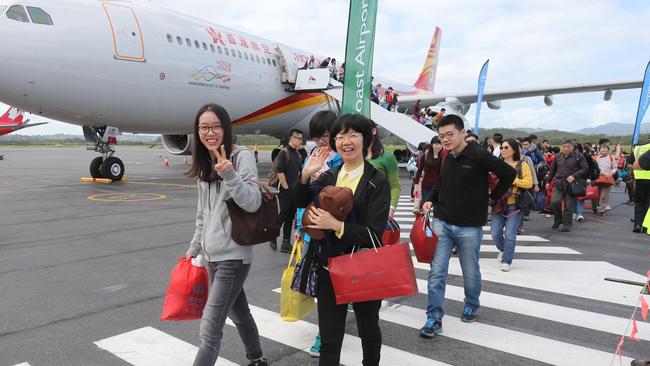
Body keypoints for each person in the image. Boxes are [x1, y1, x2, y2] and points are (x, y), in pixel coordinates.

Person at [292, 114, 390, 366]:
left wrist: (336, 225)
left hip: (364, 269)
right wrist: (304, 177)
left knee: (368, 331)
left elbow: (373, 235)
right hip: (329, 269)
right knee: (329, 338)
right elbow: (298, 203)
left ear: (365, 139)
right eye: (340, 136)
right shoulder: (329, 176)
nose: (346, 141)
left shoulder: (376, 181)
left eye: (353, 135)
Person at [184, 103, 268, 366]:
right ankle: (257, 358)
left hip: (234, 256)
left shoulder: (240, 156)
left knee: (210, 327)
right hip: (210, 257)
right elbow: (203, 215)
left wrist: (229, 173)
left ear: (226, 128)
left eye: (216, 126)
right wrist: (194, 248)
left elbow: (253, 202)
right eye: (204, 127)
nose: (210, 132)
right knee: (239, 312)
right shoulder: (206, 161)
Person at [421, 115, 516, 337]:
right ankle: (433, 319)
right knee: (436, 273)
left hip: (469, 226)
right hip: (442, 222)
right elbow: (441, 181)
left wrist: (492, 198)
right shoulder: (446, 154)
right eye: (442, 136)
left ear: (463, 132)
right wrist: (431, 199)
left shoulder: (478, 155)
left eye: (450, 135)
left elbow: (509, 173)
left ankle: (471, 304)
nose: (445, 139)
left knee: (470, 271)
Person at [490, 139, 533, 272]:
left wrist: (512, 179)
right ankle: (504, 250)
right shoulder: (497, 165)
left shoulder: (522, 165)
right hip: (499, 204)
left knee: (510, 235)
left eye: (506, 147)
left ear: (514, 149)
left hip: (515, 204)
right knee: (495, 233)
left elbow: (528, 183)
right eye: (501, 147)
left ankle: (507, 260)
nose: (503, 150)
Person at [272, 129, 304, 252]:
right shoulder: (284, 153)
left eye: (301, 139)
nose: (300, 141)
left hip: (294, 191)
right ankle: (272, 236)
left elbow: (298, 172)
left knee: (290, 216)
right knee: (283, 214)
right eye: (298, 138)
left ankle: (286, 242)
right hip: (285, 191)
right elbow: (279, 171)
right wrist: (286, 187)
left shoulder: (298, 154)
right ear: (291, 138)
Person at [546, 140, 588, 232]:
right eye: (564, 146)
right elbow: (552, 170)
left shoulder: (578, 156)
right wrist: (548, 181)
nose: (565, 148)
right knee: (554, 202)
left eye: (568, 146)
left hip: (571, 185)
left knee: (568, 207)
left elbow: (585, 169)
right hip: (558, 184)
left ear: (572, 147)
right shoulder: (558, 156)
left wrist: (574, 176)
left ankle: (567, 224)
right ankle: (558, 219)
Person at [367, 123, 401, 220]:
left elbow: (394, 186)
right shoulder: (354, 155)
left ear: (374, 131)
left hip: (378, 209)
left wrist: (391, 207)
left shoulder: (387, 157)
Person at [414, 136, 446, 211]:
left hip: (439, 187)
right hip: (427, 186)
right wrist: (416, 185)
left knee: (437, 210)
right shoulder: (425, 156)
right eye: (436, 144)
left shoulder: (445, 156)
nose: (438, 146)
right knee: (426, 209)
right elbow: (419, 171)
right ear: (431, 144)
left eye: (440, 144)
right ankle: (426, 222)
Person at [632, 136, 650, 233]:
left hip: (639, 178)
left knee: (639, 202)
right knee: (648, 202)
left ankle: (637, 224)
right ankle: (646, 226)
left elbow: (630, 163)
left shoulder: (638, 148)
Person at [594, 144, 618, 216]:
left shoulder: (611, 157)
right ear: (599, 149)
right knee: (594, 194)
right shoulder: (595, 158)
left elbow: (615, 167)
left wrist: (611, 173)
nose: (603, 150)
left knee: (604, 195)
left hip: (607, 178)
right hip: (596, 178)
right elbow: (592, 168)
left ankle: (601, 210)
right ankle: (594, 208)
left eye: (605, 148)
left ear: (608, 150)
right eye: (602, 148)